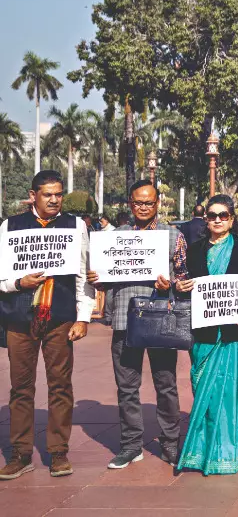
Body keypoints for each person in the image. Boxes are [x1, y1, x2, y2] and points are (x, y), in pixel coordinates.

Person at [87, 179, 188, 469]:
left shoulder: (173, 235)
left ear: (157, 203)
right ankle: (131, 446)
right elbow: (104, 279)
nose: (143, 207)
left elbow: (184, 277)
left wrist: (172, 284)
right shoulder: (113, 237)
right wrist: (97, 279)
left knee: (166, 384)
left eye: (149, 202)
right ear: (130, 204)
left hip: (160, 319)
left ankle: (170, 443)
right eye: (138, 202)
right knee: (127, 387)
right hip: (125, 319)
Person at [0, 171, 91, 480]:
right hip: (19, 317)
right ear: (33, 196)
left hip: (60, 317)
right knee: (20, 388)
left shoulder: (75, 226)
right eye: (47, 194)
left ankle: (58, 452)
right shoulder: (11, 226)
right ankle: (20, 453)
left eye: (58, 194)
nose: (54, 200)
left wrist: (83, 316)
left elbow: (82, 273)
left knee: (60, 386)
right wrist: (17, 283)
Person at [174, 195, 238, 475]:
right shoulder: (194, 250)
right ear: (206, 219)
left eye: (223, 215)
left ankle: (227, 453)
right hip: (205, 333)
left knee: (231, 393)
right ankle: (200, 453)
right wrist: (179, 287)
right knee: (205, 393)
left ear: (232, 220)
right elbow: (183, 285)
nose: (218, 220)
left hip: (233, 333)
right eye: (212, 216)